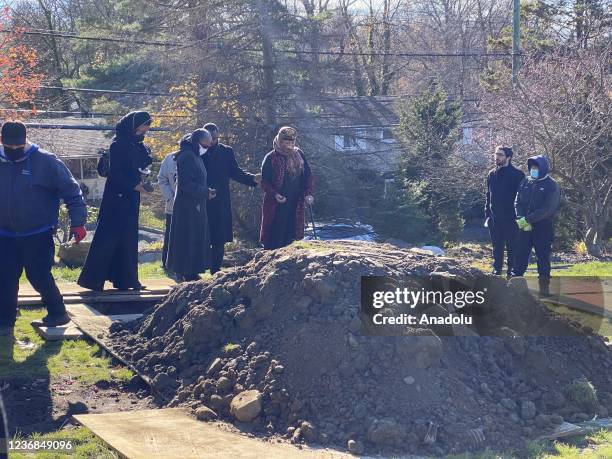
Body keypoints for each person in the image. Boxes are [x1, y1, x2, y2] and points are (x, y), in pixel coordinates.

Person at [0, 121, 87, 330]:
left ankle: (58, 313)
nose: (14, 150)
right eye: (9, 147)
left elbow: (72, 191)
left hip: (37, 231)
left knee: (38, 274)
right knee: (5, 277)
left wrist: (78, 222)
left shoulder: (45, 161)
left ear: (25, 140)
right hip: (4, 233)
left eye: (18, 147)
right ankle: (5, 321)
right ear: (1, 141)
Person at [78, 111, 153, 291]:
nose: (148, 128)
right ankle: (93, 280)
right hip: (116, 196)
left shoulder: (139, 144)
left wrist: (143, 181)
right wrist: (134, 185)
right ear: (135, 124)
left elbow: (144, 164)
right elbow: (116, 173)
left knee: (128, 238)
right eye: (146, 124)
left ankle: (127, 280)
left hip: (131, 196)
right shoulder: (118, 145)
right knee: (108, 237)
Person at [201, 123, 261, 273]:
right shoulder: (198, 151)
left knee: (219, 238)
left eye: (215, 138)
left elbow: (235, 171)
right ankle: (196, 269)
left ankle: (215, 270)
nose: (213, 141)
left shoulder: (226, 151)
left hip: (221, 199)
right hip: (201, 199)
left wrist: (252, 179)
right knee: (201, 235)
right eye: (210, 138)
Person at [166, 129, 216, 281]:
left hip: (195, 203)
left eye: (209, 146)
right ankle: (184, 270)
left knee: (195, 237)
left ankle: (192, 270)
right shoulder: (187, 156)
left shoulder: (195, 155)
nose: (206, 149)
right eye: (205, 145)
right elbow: (186, 184)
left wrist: (206, 191)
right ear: (196, 142)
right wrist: (204, 192)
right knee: (186, 237)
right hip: (187, 205)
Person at [511, 155, 560, 295]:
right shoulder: (526, 181)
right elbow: (517, 201)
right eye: (532, 167)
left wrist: (529, 219)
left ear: (543, 168)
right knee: (520, 254)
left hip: (542, 226)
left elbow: (548, 208)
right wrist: (521, 218)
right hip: (524, 226)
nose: (533, 170)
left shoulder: (551, 185)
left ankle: (544, 288)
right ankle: (516, 283)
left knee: (542, 256)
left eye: (536, 167)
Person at [259, 126, 314, 250]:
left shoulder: (299, 154)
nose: (289, 144)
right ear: (279, 140)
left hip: (296, 201)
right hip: (276, 203)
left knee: (293, 234)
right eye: (286, 141)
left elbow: (308, 175)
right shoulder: (271, 157)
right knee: (275, 234)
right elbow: (264, 181)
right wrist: (274, 194)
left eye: (292, 141)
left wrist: (308, 193)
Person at [484, 146, 525, 276]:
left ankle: (511, 272)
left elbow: (522, 197)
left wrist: (520, 216)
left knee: (512, 246)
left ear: (508, 157)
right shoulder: (491, 174)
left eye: (500, 155)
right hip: (494, 218)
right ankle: (497, 270)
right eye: (496, 154)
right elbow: (488, 195)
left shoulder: (518, 175)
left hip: (512, 218)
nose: (497, 157)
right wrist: (487, 215)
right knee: (497, 246)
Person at [157, 151, 177, 270]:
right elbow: (162, 179)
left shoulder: (199, 157)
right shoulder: (169, 159)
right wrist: (170, 197)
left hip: (192, 208)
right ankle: (167, 263)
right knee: (170, 235)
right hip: (172, 206)